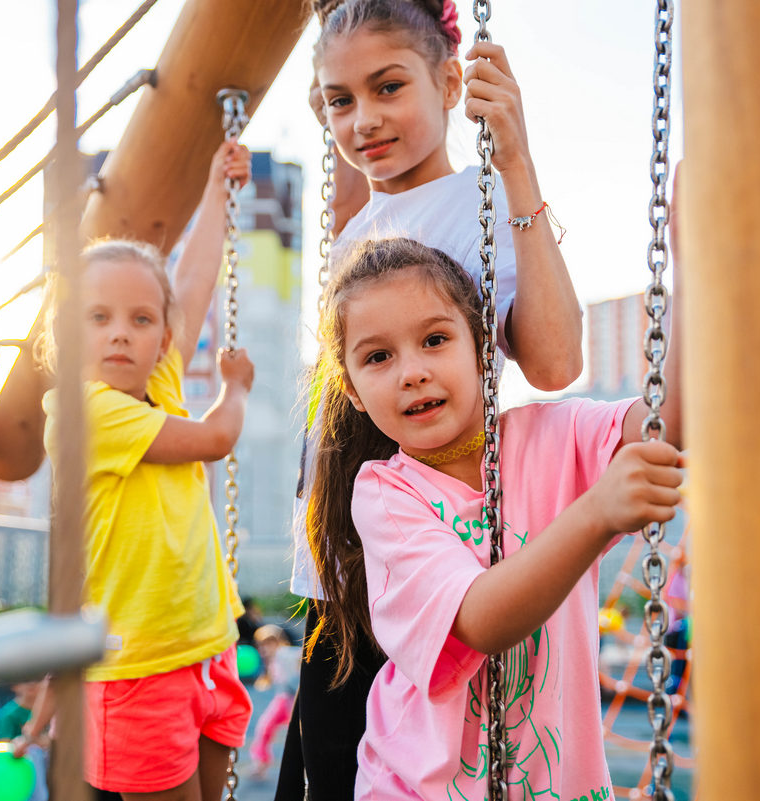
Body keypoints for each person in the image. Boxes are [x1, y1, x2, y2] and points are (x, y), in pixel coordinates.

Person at [280, 1, 584, 796]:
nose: (363, 120)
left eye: (387, 88)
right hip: (334, 575)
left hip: (423, 571)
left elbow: (554, 362)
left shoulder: (481, 203)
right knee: (320, 775)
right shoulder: (358, 234)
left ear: (449, 81)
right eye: (339, 101)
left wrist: (515, 161)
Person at [309, 237, 684, 797]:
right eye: (378, 357)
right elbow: (480, 620)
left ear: (484, 350)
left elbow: (668, 421)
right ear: (353, 391)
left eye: (435, 340)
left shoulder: (555, 436)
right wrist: (596, 512)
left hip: (562, 784)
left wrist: (696, 265)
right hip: (420, 788)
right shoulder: (386, 495)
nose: (411, 372)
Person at [27, 141, 256, 801]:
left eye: (139, 320)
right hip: (137, 666)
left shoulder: (158, 386)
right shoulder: (85, 412)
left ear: (163, 336)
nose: (121, 333)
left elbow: (191, 282)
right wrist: (235, 386)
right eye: (98, 319)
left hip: (203, 644)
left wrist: (217, 189)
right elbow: (216, 436)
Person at [248, 624, 303, 780]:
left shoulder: (284, 653)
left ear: (277, 642)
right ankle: (260, 762)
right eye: (260, 645)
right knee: (265, 728)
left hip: (290, 700)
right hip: (284, 700)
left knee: (268, 729)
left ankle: (262, 763)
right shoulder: (273, 659)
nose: (263, 649)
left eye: (267, 644)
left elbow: (299, 655)